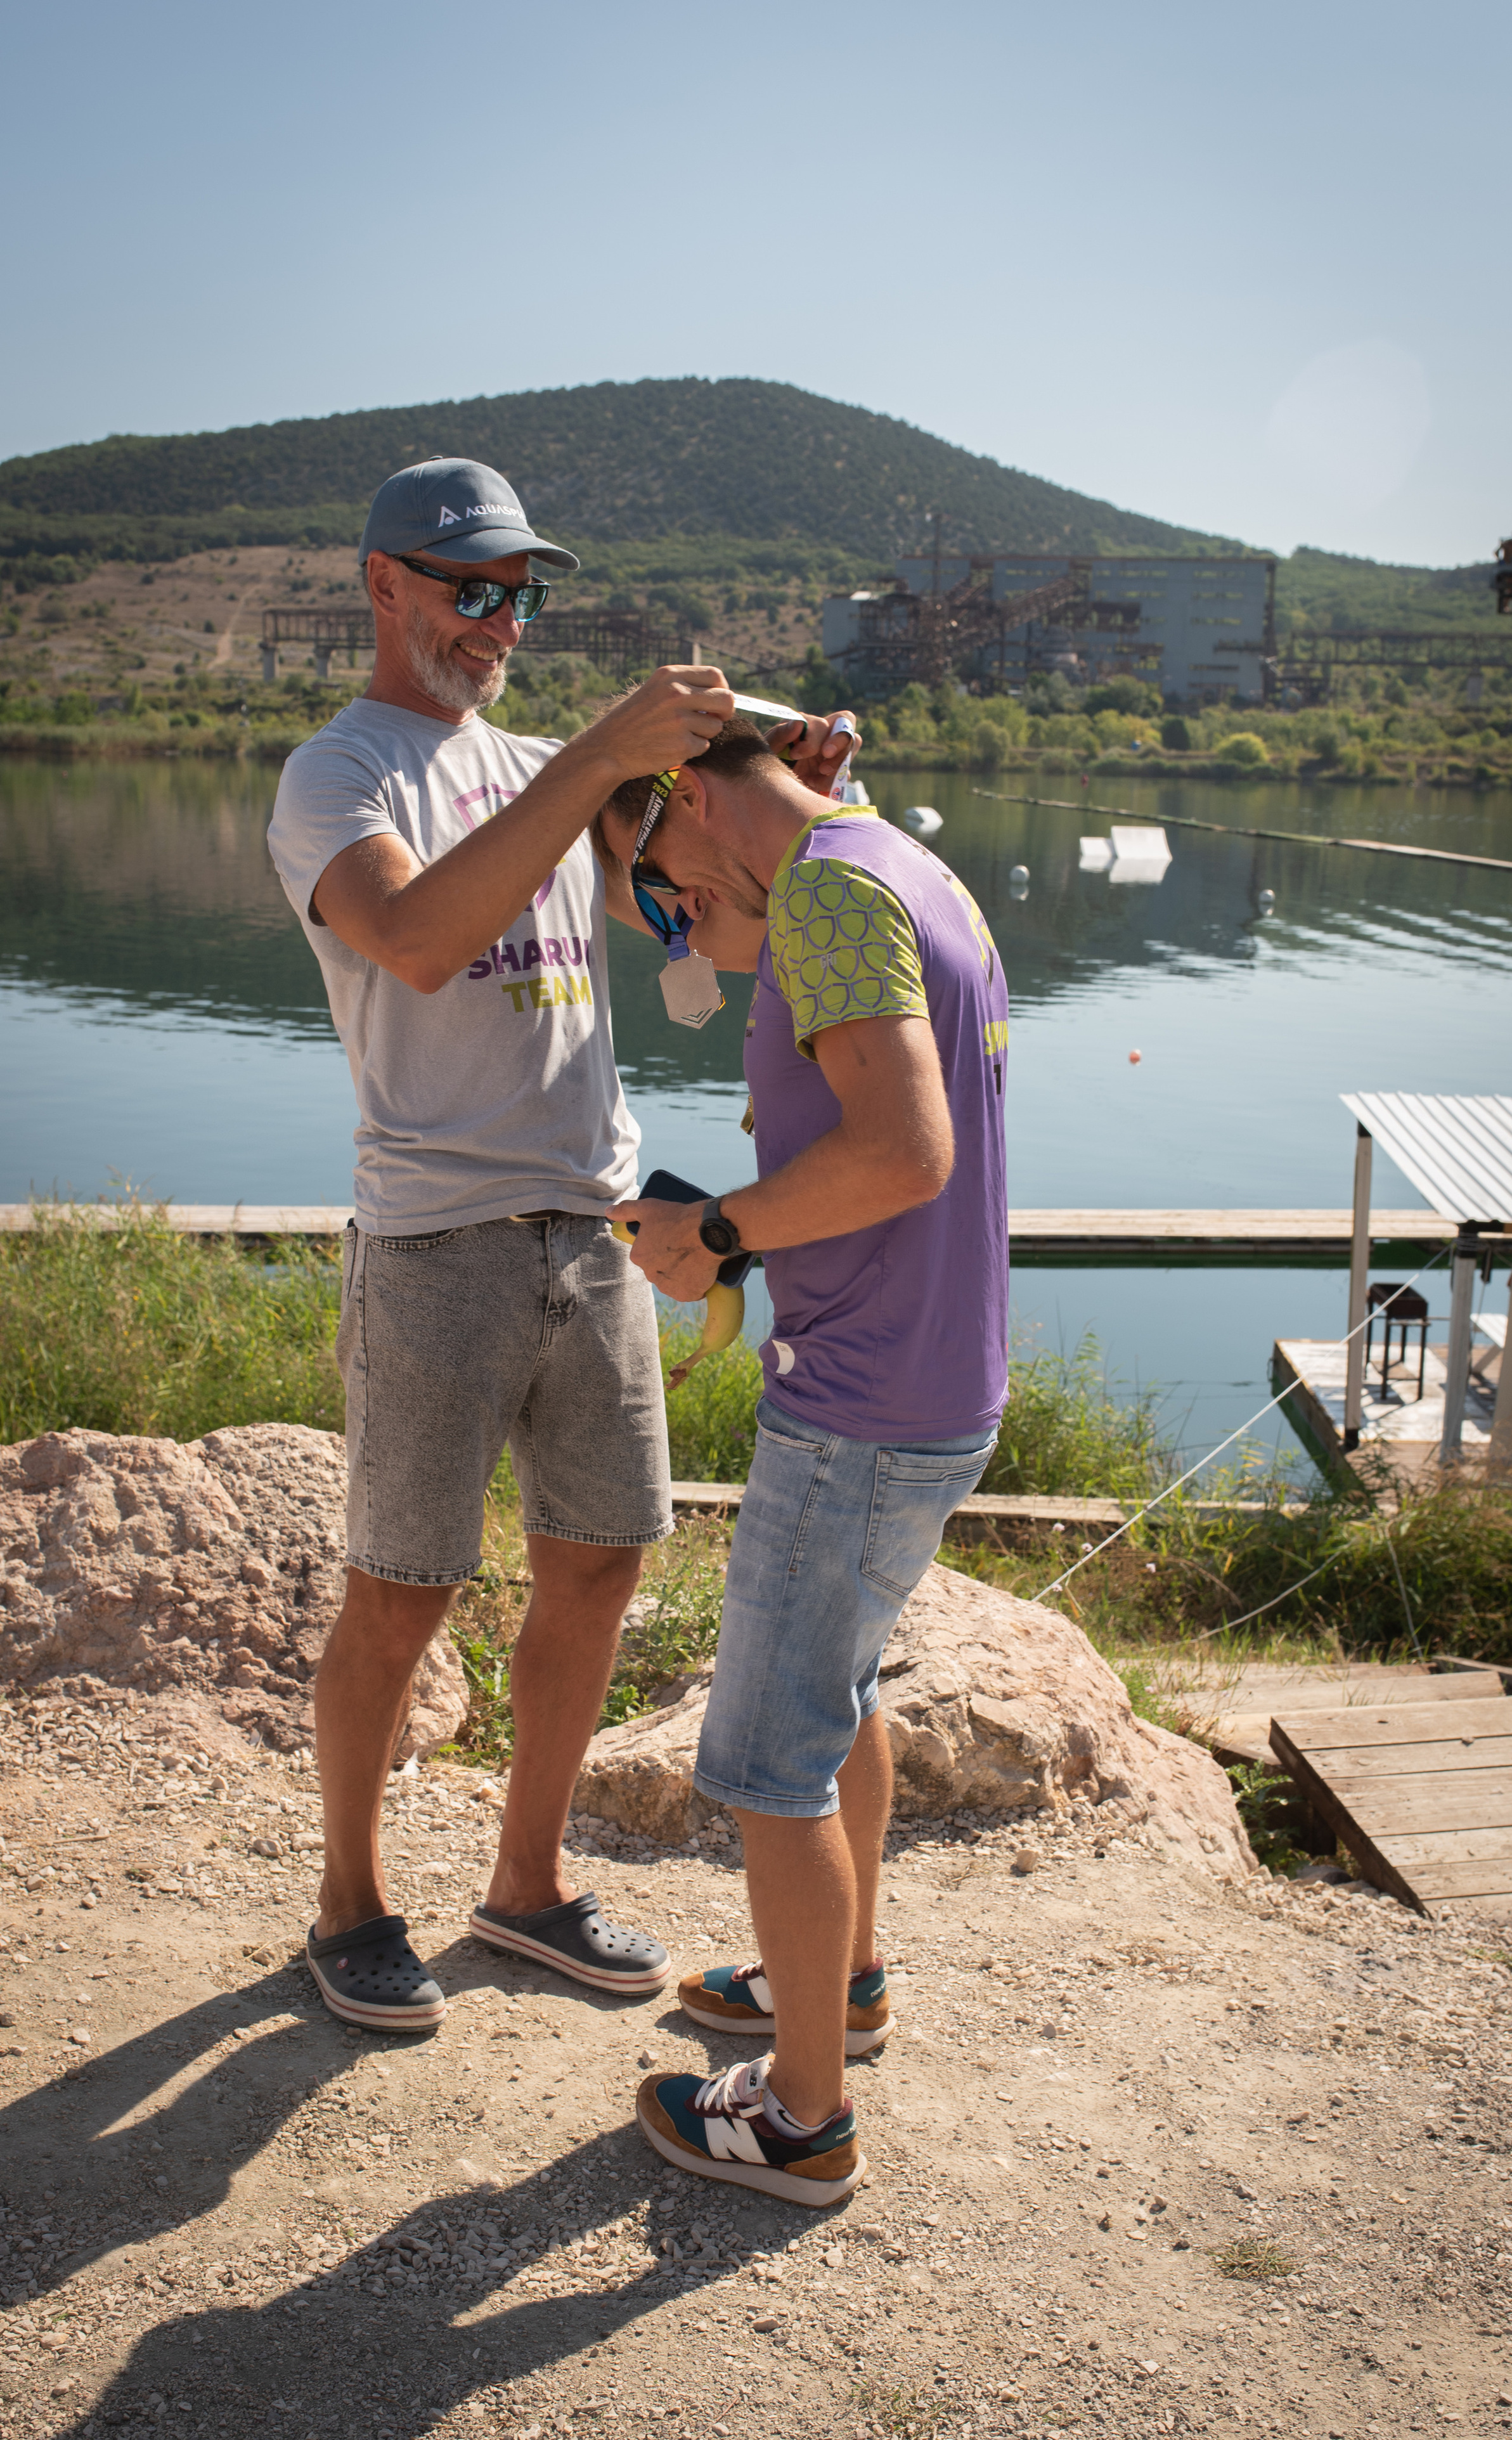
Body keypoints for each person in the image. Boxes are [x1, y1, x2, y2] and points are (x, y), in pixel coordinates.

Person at [266, 458, 850, 2032]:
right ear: (382, 583)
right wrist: (598, 751)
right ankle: (348, 1902)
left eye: (520, 594)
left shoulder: (553, 770)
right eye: (472, 588)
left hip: (593, 1229)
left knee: (598, 1563)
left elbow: (719, 913)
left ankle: (523, 1884)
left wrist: (785, 792)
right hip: (435, 1240)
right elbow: (416, 937)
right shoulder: (336, 776)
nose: (499, 621)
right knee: (402, 1588)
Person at [599, 718, 1010, 2203]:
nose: (673, 926)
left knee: (773, 1757)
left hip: (858, 1402)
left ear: (694, 802)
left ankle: (801, 2118)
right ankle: (834, 1981)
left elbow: (903, 1153)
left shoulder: (827, 890)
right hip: (931, 1376)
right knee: (836, 1698)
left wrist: (712, 1227)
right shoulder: (892, 859)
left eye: (658, 886)